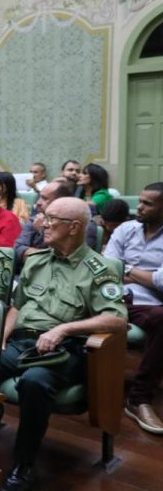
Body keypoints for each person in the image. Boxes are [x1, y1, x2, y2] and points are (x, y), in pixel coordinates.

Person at [0, 197, 127, 491]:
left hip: (61, 351)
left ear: (74, 227)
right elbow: (17, 306)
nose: (41, 222)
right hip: (20, 342)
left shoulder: (99, 268)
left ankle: (23, 465)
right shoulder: (36, 260)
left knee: (34, 382)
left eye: (50, 218)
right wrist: (3, 337)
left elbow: (116, 320)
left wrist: (64, 329)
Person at [104, 183, 163, 434]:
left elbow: (161, 282)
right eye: (139, 200)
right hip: (112, 296)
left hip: (149, 304)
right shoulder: (126, 229)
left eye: (147, 203)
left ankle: (138, 398)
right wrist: (142, 274)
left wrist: (125, 269)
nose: (138, 207)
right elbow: (108, 267)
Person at [14, 181, 97, 272]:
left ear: (61, 201)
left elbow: (77, 259)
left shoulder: (85, 225)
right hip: (32, 273)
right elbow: (17, 250)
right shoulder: (35, 219)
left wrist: (42, 232)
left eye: (45, 198)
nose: (38, 203)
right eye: (39, 197)